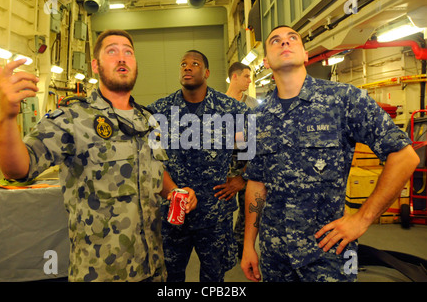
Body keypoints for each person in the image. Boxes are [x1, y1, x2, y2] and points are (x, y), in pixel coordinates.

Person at [0, 29, 196, 282]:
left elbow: (153, 170)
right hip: (101, 273)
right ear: (95, 65)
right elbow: (18, 168)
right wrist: (6, 116)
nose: (121, 57)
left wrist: (176, 192)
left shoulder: (148, 120)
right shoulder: (72, 119)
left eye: (128, 52)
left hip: (153, 268)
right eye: (112, 51)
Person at [240, 25, 419, 282]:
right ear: (266, 62)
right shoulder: (257, 118)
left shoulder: (344, 100)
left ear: (305, 54)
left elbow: (405, 157)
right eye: (275, 41)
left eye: (293, 38)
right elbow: (256, 184)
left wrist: (362, 218)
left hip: (329, 254)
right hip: (275, 256)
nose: (285, 43)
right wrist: (249, 245)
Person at [148, 50, 250, 282]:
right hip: (174, 214)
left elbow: (254, 148)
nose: (187, 67)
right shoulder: (161, 110)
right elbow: (147, 155)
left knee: (213, 278)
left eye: (194, 63)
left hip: (214, 215)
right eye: (183, 63)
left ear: (207, 72)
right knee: (170, 278)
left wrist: (241, 179)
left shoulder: (231, 109)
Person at [221, 62, 259, 259]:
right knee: (224, 207)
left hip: (246, 161)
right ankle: (226, 247)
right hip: (224, 163)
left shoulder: (252, 104)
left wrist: (245, 172)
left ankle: (241, 247)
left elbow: (256, 139)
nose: (249, 80)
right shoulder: (217, 104)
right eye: (246, 76)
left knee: (248, 209)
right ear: (234, 77)